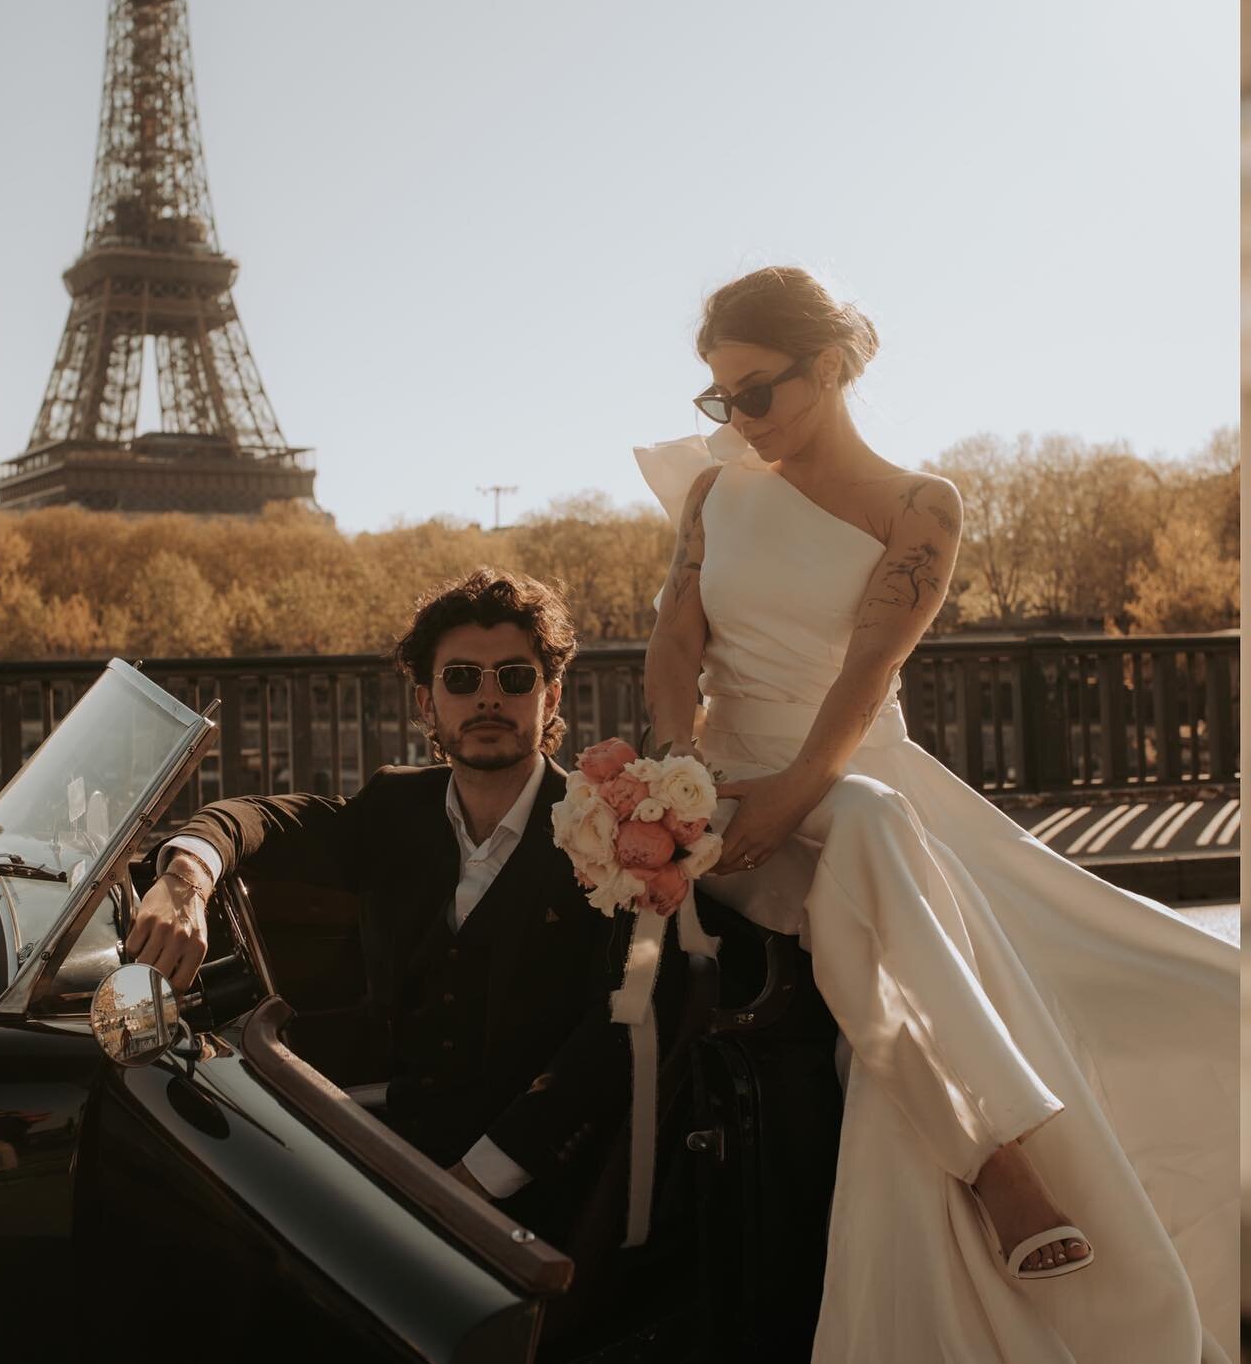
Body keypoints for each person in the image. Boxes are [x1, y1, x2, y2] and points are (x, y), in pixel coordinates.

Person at [637, 265, 1236, 1364]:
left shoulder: (924, 506)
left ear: (826, 369)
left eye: (754, 392)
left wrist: (800, 791)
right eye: (715, 399)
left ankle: (990, 1154)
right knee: (873, 831)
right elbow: (676, 643)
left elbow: (871, 669)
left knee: (1190, 996)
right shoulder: (714, 497)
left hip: (856, 790)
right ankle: (1006, 1167)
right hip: (725, 812)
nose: (734, 420)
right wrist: (682, 769)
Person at [127, 567, 679, 1249]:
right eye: (460, 679)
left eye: (513, 677)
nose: (487, 698)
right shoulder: (396, 807)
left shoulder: (612, 837)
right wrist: (185, 876)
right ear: (426, 702)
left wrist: (472, 1184)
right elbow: (262, 817)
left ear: (551, 694)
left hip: (529, 1188)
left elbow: (609, 1040)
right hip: (388, 1137)